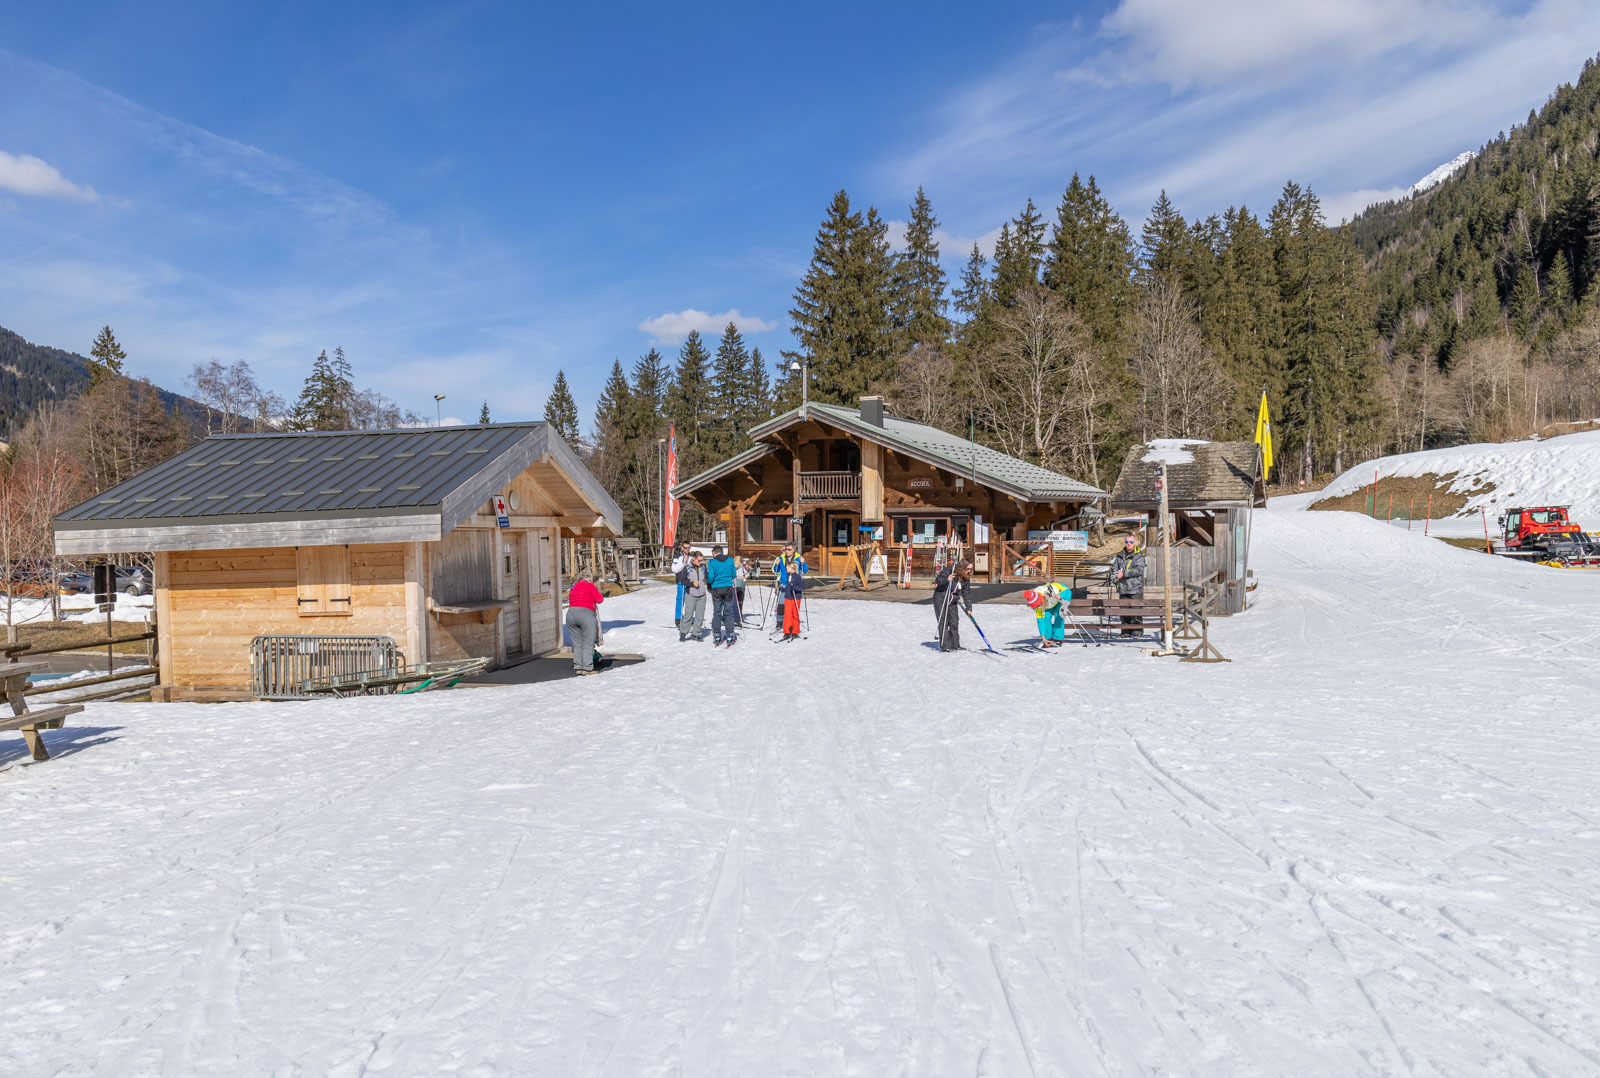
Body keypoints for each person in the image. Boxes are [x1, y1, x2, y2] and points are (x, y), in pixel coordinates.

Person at [565, 568, 605, 675]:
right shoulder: (589, 586)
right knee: (588, 642)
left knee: (577, 643)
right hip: (585, 614)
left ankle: (578, 667)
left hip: (570, 614)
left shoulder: (573, 587)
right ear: (588, 578)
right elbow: (600, 599)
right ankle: (587, 668)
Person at [932, 557, 972, 651]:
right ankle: (945, 646)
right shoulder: (950, 570)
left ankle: (955, 645)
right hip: (941, 599)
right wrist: (947, 578)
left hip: (952, 600)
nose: (969, 571)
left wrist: (969, 608)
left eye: (971, 569)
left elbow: (966, 593)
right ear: (962, 567)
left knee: (954, 622)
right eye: (968, 568)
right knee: (943, 622)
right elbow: (938, 580)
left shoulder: (966, 577)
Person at [1109, 533, 1146, 636]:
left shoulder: (1139, 556)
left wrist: (1124, 574)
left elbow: (1138, 570)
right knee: (1124, 612)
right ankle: (1125, 631)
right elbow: (1114, 568)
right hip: (1123, 588)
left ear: (1135, 543)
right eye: (1127, 542)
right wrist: (1115, 576)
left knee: (1136, 612)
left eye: (1131, 542)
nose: (1128, 544)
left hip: (1135, 589)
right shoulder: (1120, 556)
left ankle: (1137, 631)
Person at [772, 543, 808, 641]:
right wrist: (777, 564)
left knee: (793, 609)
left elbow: (805, 570)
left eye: (789, 549)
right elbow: (775, 570)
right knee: (781, 604)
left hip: (794, 585)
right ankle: (779, 623)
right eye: (785, 549)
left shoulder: (798, 558)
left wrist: (803, 562)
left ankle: (794, 628)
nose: (786, 551)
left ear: (793, 550)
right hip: (784, 584)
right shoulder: (781, 557)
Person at [706, 545, 740, 647]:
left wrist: (709, 583)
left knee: (717, 612)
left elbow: (711, 576)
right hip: (728, 588)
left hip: (716, 589)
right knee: (729, 612)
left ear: (714, 552)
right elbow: (733, 574)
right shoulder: (730, 560)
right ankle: (730, 636)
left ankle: (717, 636)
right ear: (722, 551)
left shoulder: (712, 562)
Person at [1024, 581, 1069, 647]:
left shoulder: (1047, 591)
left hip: (1062, 593)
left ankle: (1057, 638)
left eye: (1039, 604)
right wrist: (1044, 639)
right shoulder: (1038, 605)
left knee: (1059, 616)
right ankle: (1048, 638)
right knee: (1046, 617)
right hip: (1050, 601)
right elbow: (1040, 621)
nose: (1039, 606)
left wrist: (1061, 598)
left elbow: (1061, 593)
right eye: (1037, 605)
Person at [677, 550, 709, 641]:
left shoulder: (703, 567)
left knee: (700, 615)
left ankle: (696, 633)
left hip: (702, 595)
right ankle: (683, 632)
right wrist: (691, 583)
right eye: (699, 560)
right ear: (694, 559)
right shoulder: (687, 568)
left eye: (702, 560)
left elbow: (708, 578)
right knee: (688, 615)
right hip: (691, 594)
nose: (701, 562)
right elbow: (682, 581)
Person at [669, 540, 691, 624]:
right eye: (685, 548)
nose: (687, 550)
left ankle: (688, 618)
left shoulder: (691, 557)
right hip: (681, 581)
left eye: (688, 548)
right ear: (682, 548)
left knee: (690, 601)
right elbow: (675, 569)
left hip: (690, 582)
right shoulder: (677, 557)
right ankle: (678, 618)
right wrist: (683, 562)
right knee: (680, 599)